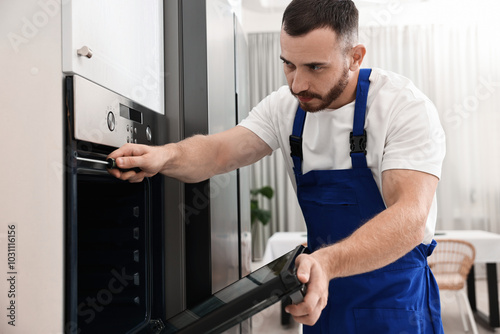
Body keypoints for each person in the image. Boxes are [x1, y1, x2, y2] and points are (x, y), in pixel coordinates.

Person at [108, 0, 446, 332]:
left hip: (396, 301)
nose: (297, 84)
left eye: (315, 67)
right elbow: (219, 152)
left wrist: (328, 262)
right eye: (288, 65)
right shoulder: (285, 108)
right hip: (321, 296)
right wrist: (165, 156)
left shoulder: (403, 107)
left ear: (355, 57)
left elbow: (410, 217)